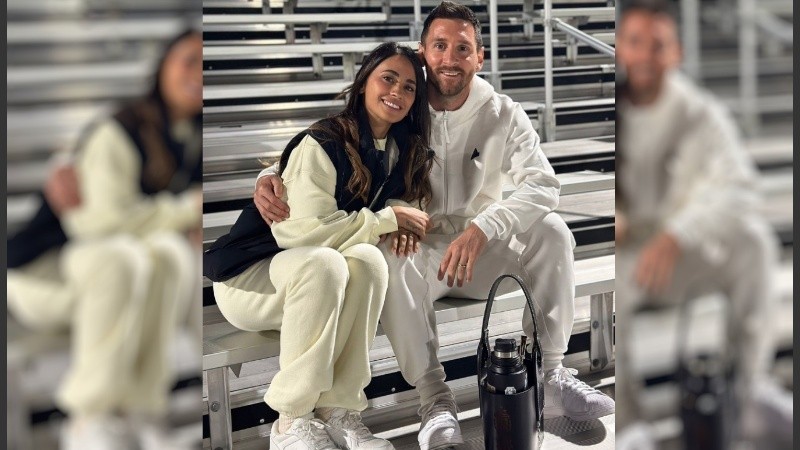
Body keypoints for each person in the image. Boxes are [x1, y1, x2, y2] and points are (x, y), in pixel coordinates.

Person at [253, 2, 615, 449]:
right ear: (424, 51)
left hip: (481, 250)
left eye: (462, 48)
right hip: (420, 252)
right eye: (439, 46)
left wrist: (486, 227)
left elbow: (543, 183)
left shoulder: (503, 112)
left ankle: (551, 374)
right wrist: (269, 175)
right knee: (386, 252)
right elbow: (336, 137)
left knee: (554, 231)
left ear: (479, 57)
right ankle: (434, 400)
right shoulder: (401, 102)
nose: (450, 58)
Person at [203, 42, 434, 450]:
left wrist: (398, 216)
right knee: (326, 263)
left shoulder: (398, 149)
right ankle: (290, 421)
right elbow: (302, 235)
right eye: (388, 78)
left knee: (368, 261)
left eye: (410, 87)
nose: (397, 92)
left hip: (311, 280)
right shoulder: (322, 142)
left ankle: (338, 410)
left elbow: (407, 205)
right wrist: (387, 220)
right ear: (364, 83)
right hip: (249, 279)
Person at [7, 29, 203, 449]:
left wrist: (183, 219)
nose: (199, 72)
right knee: (123, 257)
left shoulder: (193, 136)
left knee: (169, 254)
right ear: (163, 66)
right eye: (189, 59)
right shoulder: (118, 130)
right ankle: (88, 418)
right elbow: (97, 224)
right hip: (46, 273)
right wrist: (187, 208)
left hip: (113, 276)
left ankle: (141, 411)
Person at [614, 0, 789, 446]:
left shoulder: (698, 112)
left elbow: (741, 188)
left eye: (659, 45)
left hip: (677, 254)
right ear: (620, 48)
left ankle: (747, 392)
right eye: (636, 42)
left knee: (753, 242)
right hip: (625, 258)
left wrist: (678, 234)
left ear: (677, 53)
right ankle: (630, 424)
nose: (646, 55)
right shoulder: (608, 108)